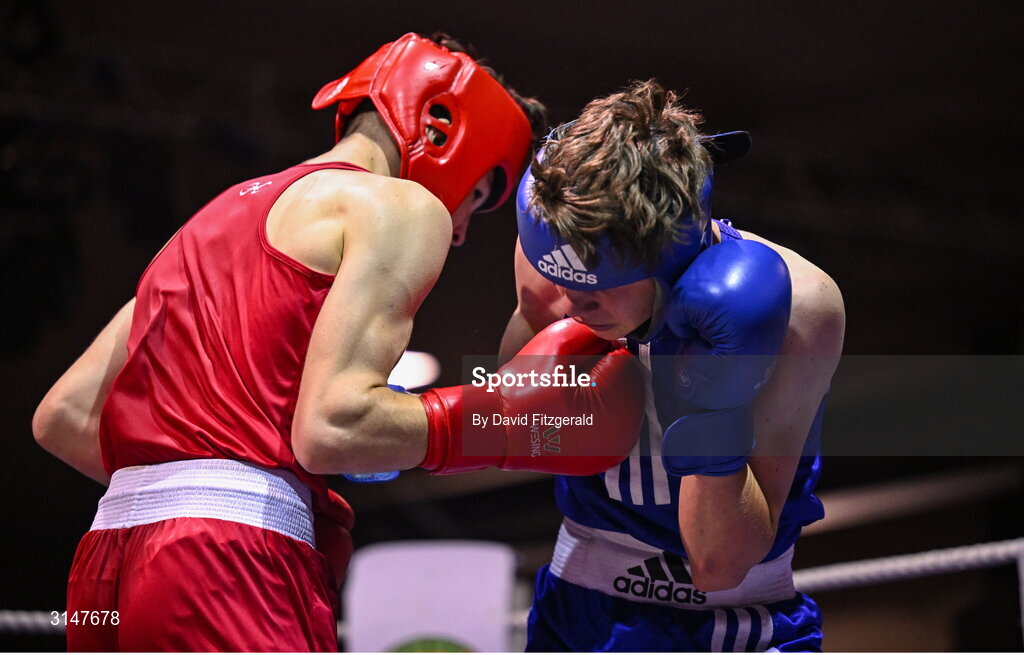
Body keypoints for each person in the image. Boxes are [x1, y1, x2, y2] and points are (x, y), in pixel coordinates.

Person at [33, 32, 645, 652]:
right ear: (442, 130)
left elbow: (64, 417)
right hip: (227, 565)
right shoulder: (399, 205)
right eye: (481, 194)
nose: (461, 229)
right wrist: (510, 424)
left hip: (105, 566)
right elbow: (334, 426)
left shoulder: (209, 220)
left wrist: (227, 483)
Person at [505, 80, 845, 651]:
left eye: (600, 286)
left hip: (739, 620)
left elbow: (719, 563)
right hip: (578, 611)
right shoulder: (556, 249)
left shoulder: (799, 310)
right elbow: (521, 428)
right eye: (562, 277)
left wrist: (710, 397)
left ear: (671, 250)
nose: (574, 303)